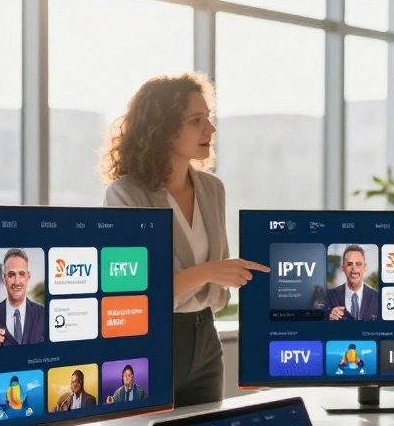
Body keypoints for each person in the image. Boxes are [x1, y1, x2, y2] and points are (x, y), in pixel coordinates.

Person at [103, 73, 269, 406]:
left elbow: (214, 281)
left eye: (208, 119)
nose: (210, 129)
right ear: (162, 127)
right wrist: (209, 272)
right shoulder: (125, 195)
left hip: (206, 338)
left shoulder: (212, 189)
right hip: (151, 339)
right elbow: (134, 295)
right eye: (196, 120)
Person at [0, 248, 45, 347]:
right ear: (4, 279)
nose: (17, 282)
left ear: (28, 277)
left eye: (21, 274)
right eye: (11, 275)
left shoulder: (43, 314)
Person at [326, 245, 379, 321]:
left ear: (365, 267)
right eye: (349, 264)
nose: (354, 268)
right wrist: (329, 317)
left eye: (358, 264)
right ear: (343, 268)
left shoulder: (377, 299)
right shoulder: (329, 297)